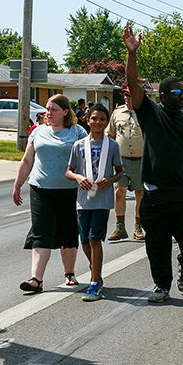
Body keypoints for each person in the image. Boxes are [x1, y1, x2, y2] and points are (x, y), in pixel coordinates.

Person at [123, 24, 183, 303]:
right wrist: (132, 54)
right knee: (156, 244)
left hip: (182, 194)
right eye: (176, 93)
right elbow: (133, 84)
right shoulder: (150, 113)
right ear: (163, 96)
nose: (182, 97)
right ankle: (162, 286)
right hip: (154, 194)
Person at [13, 94, 88, 293]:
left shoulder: (77, 132)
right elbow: (27, 160)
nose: (49, 113)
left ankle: (70, 273)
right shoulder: (38, 132)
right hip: (40, 189)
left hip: (69, 190)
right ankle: (36, 279)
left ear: (65, 111)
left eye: (54, 109)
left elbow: (86, 159)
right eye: (47, 109)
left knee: (68, 231)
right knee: (41, 232)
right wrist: (17, 184)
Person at [66, 104, 123, 302]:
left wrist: (111, 180)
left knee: (94, 239)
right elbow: (68, 171)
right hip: (83, 201)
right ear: (87, 120)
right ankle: (95, 269)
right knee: (84, 241)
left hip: (101, 200)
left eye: (102, 119)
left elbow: (120, 172)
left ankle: (94, 282)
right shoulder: (79, 145)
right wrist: (77, 177)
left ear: (107, 122)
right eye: (94, 118)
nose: (97, 122)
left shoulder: (112, 145)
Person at [107, 88, 145, 241]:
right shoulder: (117, 113)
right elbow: (110, 134)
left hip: (140, 159)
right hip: (121, 160)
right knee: (119, 192)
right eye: (125, 95)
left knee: (140, 193)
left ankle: (138, 227)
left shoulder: (144, 113)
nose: (127, 97)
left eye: (130, 95)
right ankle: (120, 227)